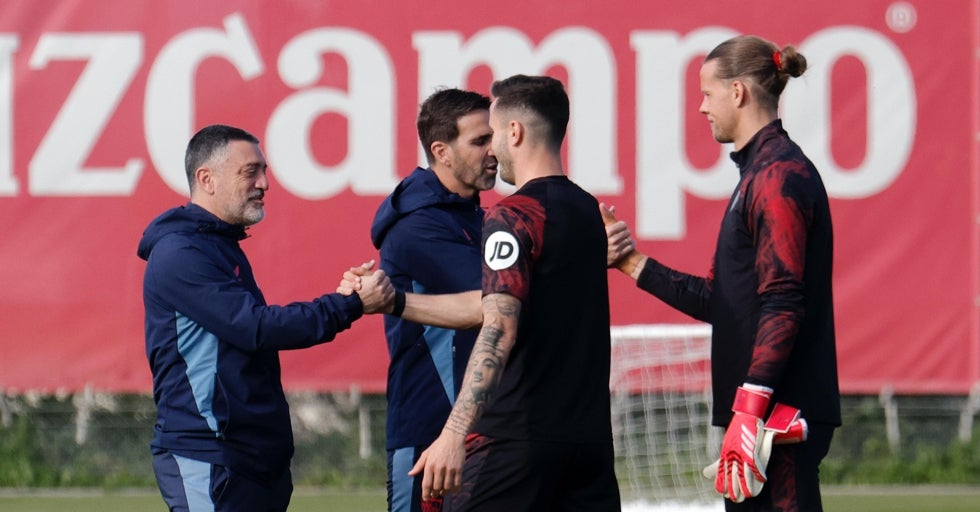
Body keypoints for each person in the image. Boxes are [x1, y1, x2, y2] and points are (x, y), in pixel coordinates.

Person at [605, 35, 840, 511]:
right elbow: (723, 302)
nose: (700, 108)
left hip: (777, 419)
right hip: (759, 417)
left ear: (738, 93)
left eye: (707, 93)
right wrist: (631, 263)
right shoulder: (757, 173)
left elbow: (783, 300)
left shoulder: (777, 176)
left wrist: (751, 409)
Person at [137, 124, 393, 512]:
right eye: (250, 171)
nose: (264, 183)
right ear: (206, 179)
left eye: (265, 170)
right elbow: (255, 327)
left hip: (252, 460)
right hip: (209, 455)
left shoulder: (217, 244)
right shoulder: (180, 253)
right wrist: (351, 305)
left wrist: (346, 300)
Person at [409, 74, 622, 511]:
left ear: (515, 132)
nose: (491, 149)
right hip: (590, 447)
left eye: (493, 134)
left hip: (516, 445)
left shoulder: (514, 214)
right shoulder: (587, 211)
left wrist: (453, 434)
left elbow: (498, 326)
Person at [369, 88, 496, 512]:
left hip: (482, 428)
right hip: (429, 430)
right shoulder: (417, 227)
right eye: (480, 141)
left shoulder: (475, 216)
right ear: (441, 151)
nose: (494, 150)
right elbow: (499, 302)